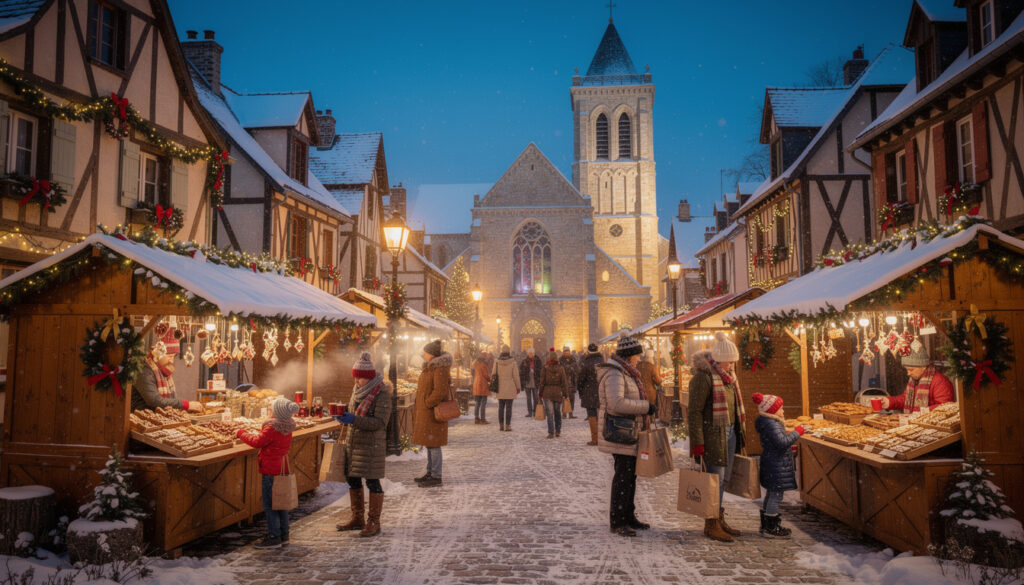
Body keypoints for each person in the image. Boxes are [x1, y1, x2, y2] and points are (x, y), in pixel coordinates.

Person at [688, 331, 746, 543]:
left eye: (733, 362)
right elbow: (694, 411)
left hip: (729, 433)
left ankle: (718, 518)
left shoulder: (729, 378)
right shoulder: (703, 378)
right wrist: (697, 443)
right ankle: (710, 523)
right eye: (729, 362)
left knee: (725, 479)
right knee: (714, 481)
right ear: (718, 360)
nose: (732, 365)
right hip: (712, 436)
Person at [598, 335, 656, 537]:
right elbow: (616, 403)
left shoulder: (627, 373)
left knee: (631, 476)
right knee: (623, 477)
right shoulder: (615, 374)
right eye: (637, 355)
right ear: (629, 355)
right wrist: (645, 407)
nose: (639, 359)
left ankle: (628, 515)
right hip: (621, 432)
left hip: (630, 432)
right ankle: (618, 520)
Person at [335, 352, 392, 537]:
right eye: (356, 376)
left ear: (368, 378)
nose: (357, 380)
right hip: (354, 443)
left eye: (360, 377)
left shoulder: (381, 394)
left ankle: (374, 522)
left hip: (371, 447)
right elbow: (356, 414)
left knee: (373, 482)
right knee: (353, 479)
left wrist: (354, 420)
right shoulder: (357, 391)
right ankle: (357, 518)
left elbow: (379, 423)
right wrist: (344, 414)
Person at [237, 397, 299, 548]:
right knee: (281, 503)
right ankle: (284, 534)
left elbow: (257, 442)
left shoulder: (272, 427)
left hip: (270, 469)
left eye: (272, 408)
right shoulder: (288, 425)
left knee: (270, 504)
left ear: (276, 412)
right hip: (281, 467)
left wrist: (241, 433)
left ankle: (273, 537)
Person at [751, 392, 804, 538]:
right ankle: (771, 527)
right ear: (772, 411)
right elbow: (781, 443)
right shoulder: (772, 424)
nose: (783, 411)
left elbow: (777, 443)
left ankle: (766, 525)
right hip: (776, 464)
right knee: (776, 494)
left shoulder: (768, 422)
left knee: (771, 493)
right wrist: (797, 433)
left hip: (772, 461)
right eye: (780, 408)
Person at [412, 339, 453, 488]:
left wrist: (427, 402)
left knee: (434, 444)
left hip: (433, 412)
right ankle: (430, 472)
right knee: (430, 444)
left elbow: (440, 391)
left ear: (431, 354)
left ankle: (436, 475)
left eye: (425, 352)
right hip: (427, 412)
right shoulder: (431, 368)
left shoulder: (439, 368)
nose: (423, 354)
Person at [880, 345, 954, 413]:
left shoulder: (940, 381)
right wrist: (889, 402)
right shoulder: (914, 380)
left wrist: (924, 411)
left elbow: (945, 406)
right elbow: (906, 400)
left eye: (911, 369)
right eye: (907, 369)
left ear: (923, 367)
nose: (908, 373)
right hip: (916, 421)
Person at [132, 345, 202, 412]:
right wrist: (185, 404)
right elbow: (154, 400)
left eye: (173, 356)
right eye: (169, 356)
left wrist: (183, 407)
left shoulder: (164, 371)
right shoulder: (143, 369)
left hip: (159, 418)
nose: (171, 361)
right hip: (141, 420)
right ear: (157, 353)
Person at [577, 343, 604, 446]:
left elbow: (581, 379)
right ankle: (601, 437)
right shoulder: (602, 362)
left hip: (589, 392)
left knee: (592, 414)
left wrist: (580, 390)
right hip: (601, 391)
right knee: (601, 414)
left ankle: (595, 438)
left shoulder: (586, 363)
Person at [540, 350, 568, 438]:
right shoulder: (561, 368)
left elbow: (542, 382)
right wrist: (565, 394)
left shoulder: (545, 368)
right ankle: (558, 430)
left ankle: (551, 432)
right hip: (557, 392)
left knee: (550, 414)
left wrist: (540, 394)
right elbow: (564, 382)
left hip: (547, 393)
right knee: (557, 412)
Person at [493, 345, 521, 431]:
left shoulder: (497, 362)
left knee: (501, 407)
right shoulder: (513, 362)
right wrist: (518, 387)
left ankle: (501, 425)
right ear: (509, 351)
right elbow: (516, 376)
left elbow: (493, 374)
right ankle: (508, 425)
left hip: (500, 386)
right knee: (509, 407)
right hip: (510, 386)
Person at [519, 347, 542, 417]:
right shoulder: (525, 361)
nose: (530, 355)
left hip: (535, 381)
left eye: (532, 353)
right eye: (529, 353)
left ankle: (535, 411)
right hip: (527, 382)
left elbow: (540, 370)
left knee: (535, 398)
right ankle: (529, 412)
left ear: (534, 354)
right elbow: (521, 371)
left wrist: (535, 371)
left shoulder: (538, 361)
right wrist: (526, 371)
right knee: (528, 398)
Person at [472, 351, 492, 424]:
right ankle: (483, 419)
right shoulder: (483, 365)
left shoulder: (475, 364)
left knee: (477, 403)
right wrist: (490, 380)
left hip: (476, 384)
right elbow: (486, 375)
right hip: (482, 384)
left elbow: (473, 373)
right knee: (483, 402)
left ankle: (476, 418)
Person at [559, 347, 579, 418]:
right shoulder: (560, 360)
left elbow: (576, 370)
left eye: (568, 353)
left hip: (572, 382)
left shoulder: (573, 359)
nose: (566, 354)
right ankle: (564, 413)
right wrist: (569, 368)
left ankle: (571, 413)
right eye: (565, 353)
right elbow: (561, 369)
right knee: (564, 398)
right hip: (563, 382)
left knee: (571, 399)